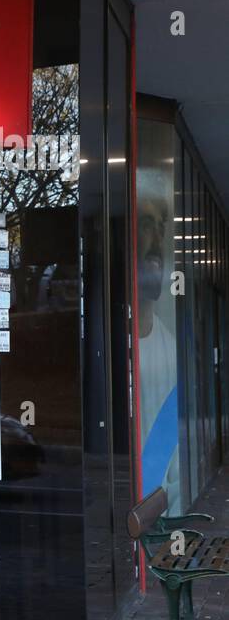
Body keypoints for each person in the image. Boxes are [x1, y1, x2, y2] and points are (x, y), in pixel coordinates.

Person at [135, 170, 182, 514]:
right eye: (147, 223)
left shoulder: (172, 349)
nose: (157, 238)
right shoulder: (104, 351)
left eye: (161, 225)